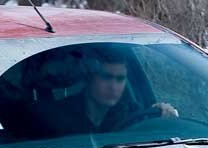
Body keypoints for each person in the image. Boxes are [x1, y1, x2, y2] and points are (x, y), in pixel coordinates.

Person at [39, 45, 178, 137]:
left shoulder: (133, 113)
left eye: (120, 79)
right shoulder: (57, 115)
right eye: (106, 77)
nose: (113, 86)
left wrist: (164, 118)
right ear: (89, 78)